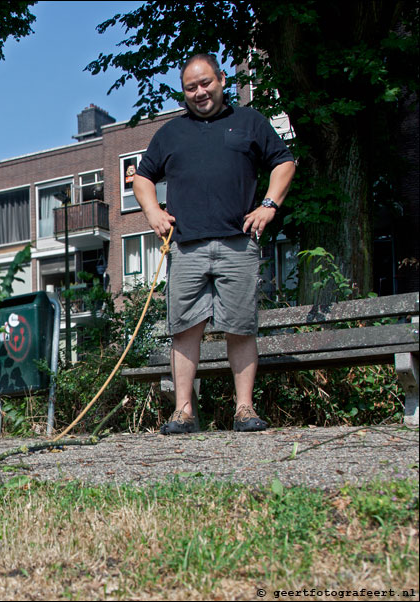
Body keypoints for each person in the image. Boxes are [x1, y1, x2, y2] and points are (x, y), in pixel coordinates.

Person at [133, 53, 296, 434]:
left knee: (240, 326)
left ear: (222, 80)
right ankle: (184, 412)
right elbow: (142, 178)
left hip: (238, 243)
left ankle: (244, 410)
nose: (200, 92)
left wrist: (269, 205)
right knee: (184, 328)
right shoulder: (171, 133)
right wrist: (153, 212)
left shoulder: (249, 122)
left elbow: (284, 162)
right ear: (183, 92)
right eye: (191, 87)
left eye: (206, 83)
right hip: (186, 246)